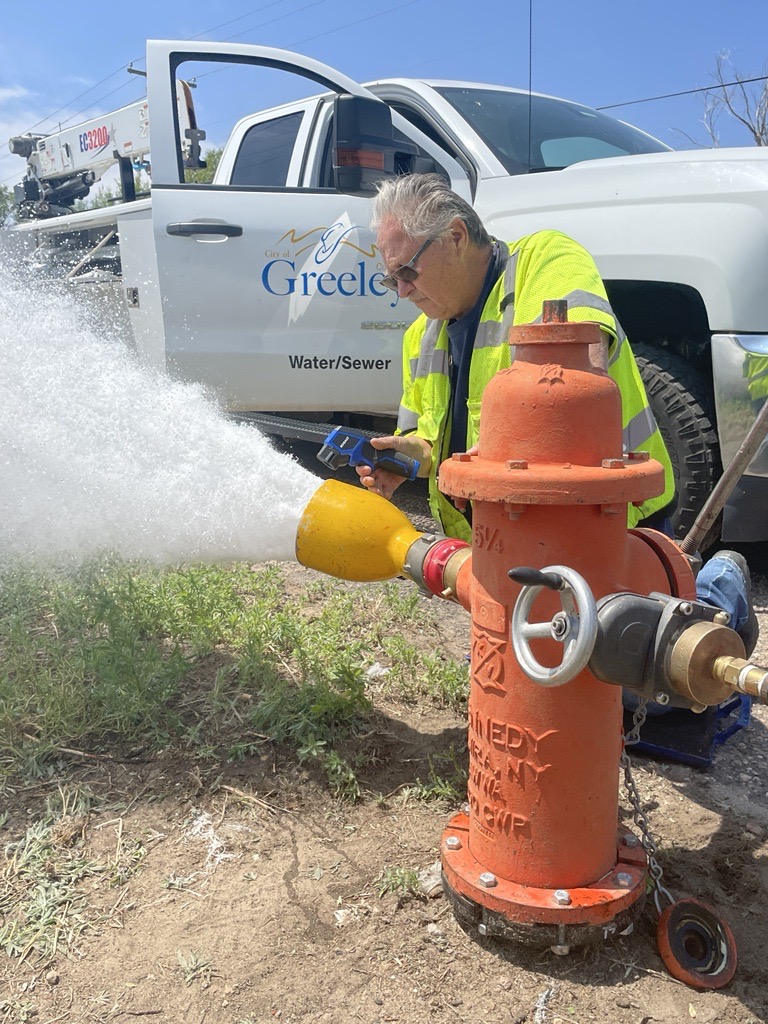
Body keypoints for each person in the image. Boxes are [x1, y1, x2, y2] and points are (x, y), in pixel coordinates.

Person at [356, 173, 758, 656]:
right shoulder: (420, 335)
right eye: (390, 278)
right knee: (548, 669)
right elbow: (427, 438)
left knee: (641, 665)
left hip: (608, 514)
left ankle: (719, 587)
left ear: (456, 237)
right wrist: (404, 456)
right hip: (511, 536)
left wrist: (503, 457)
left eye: (407, 272)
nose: (401, 290)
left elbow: (575, 376)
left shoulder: (545, 260)